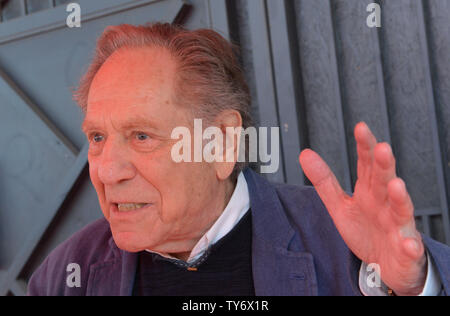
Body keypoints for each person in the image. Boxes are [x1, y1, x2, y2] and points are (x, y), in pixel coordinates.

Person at [28, 23, 449, 296]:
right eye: (97, 137)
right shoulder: (65, 275)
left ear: (223, 144)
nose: (106, 170)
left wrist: (414, 286)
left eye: (141, 136)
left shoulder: (344, 240)